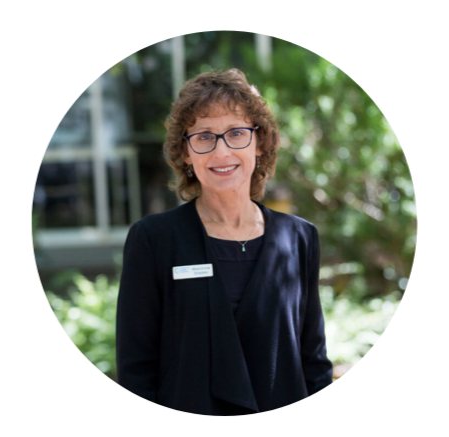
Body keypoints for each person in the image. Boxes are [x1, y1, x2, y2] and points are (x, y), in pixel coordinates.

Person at [116, 69, 332, 415]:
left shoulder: (299, 238)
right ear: (185, 152)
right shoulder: (153, 240)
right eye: (204, 136)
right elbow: (136, 371)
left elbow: (313, 362)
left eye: (236, 133)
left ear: (259, 143)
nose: (222, 151)